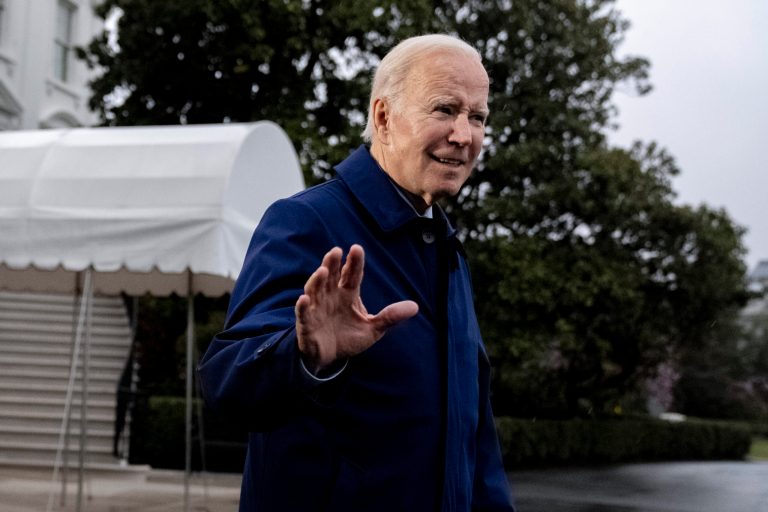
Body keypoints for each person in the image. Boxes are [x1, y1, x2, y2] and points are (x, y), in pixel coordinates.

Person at [198, 33, 516, 512]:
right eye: (445, 109)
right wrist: (304, 356)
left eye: (478, 117)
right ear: (384, 117)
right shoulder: (308, 221)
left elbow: (474, 436)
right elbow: (227, 384)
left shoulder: (448, 252)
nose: (464, 135)